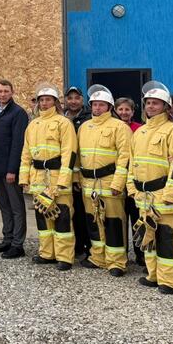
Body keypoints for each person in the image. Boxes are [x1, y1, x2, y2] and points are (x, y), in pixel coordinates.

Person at [127, 81, 173, 294]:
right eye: (148, 103)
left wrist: (171, 194)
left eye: (156, 103)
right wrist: (132, 189)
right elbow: (132, 164)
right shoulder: (140, 132)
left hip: (166, 196)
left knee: (169, 238)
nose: (151, 106)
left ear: (166, 106)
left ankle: (171, 281)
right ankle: (153, 275)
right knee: (149, 236)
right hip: (144, 197)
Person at [20, 84, 78, 270]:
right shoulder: (33, 125)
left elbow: (69, 153)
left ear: (55, 102)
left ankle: (64, 257)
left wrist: (63, 181)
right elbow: (26, 154)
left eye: (48, 100)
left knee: (62, 218)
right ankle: (47, 253)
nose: (44, 103)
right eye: (41, 100)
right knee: (43, 217)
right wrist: (24, 178)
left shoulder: (64, 123)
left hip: (57, 178)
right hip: (38, 179)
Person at [77, 85, 133, 277]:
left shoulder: (120, 127)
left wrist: (118, 183)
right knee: (93, 222)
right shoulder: (84, 127)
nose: (97, 108)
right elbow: (78, 156)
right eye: (94, 104)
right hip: (88, 183)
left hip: (109, 182)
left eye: (101, 104)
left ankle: (117, 262)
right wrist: (77, 178)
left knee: (113, 222)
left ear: (109, 107)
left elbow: (125, 157)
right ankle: (98, 257)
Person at [0, 80, 29, 259]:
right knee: (4, 206)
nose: (2, 94)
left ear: (12, 92)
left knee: (16, 207)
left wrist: (12, 170)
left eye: (6, 91)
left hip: (10, 170)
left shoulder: (18, 113)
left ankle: (18, 245)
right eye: (0, 91)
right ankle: (7, 239)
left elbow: (18, 143)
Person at [64, 86, 92, 260]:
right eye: (70, 98)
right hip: (64, 172)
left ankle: (87, 246)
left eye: (77, 98)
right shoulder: (62, 118)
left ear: (82, 100)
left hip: (83, 172)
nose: (73, 101)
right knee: (69, 211)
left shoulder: (89, 118)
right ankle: (74, 245)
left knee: (84, 212)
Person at [116, 96, 144, 266]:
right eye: (120, 109)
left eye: (127, 109)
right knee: (119, 219)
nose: (124, 112)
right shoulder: (112, 128)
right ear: (115, 110)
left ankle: (141, 253)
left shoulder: (140, 129)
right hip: (116, 179)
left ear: (133, 112)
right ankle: (122, 254)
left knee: (137, 218)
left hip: (134, 179)